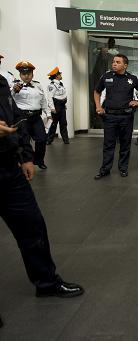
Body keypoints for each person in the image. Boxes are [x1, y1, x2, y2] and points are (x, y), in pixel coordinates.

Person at [0, 74, 84, 300]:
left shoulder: (0, 82)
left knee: (33, 227)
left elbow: (16, 118)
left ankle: (46, 282)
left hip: (8, 168)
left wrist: (27, 156)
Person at [93, 54, 138, 179]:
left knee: (125, 144)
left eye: (117, 62)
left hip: (126, 116)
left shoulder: (132, 78)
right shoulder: (107, 77)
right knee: (108, 144)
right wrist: (98, 106)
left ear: (125, 65)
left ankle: (123, 168)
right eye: (113, 62)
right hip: (110, 116)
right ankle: (105, 169)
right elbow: (97, 91)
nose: (114, 64)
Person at [11, 61, 49, 169]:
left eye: (29, 73)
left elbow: (43, 100)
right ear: (20, 75)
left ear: (32, 74)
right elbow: (9, 97)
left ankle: (39, 160)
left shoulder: (38, 85)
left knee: (42, 139)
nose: (26, 76)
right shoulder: (15, 86)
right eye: (23, 74)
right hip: (22, 118)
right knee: (24, 141)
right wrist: (14, 90)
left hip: (36, 117)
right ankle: (26, 161)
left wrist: (48, 113)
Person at [46, 67, 69, 145]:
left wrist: (64, 104)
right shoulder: (52, 85)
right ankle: (49, 140)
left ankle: (66, 140)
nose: (61, 75)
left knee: (63, 123)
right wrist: (52, 108)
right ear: (56, 76)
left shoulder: (60, 84)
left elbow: (62, 95)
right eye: (59, 74)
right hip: (56, 106)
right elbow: (50, 97)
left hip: (62, 106)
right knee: (54, 124)